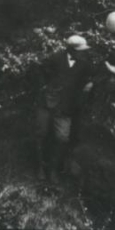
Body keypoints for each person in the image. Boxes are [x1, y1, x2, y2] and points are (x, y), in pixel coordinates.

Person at [35, 34, 96, 181]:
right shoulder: (55, 58)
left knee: (62, 138)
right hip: (46, 103)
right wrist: (45, 88)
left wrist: (91, 83)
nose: (83, 53)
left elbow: (94, 75)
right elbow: (40, 72)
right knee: (41, 134)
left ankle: (53, 169)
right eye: (80, 50)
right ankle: (40, 167)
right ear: (71, 50)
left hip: (66, 107)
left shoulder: (85, 64)